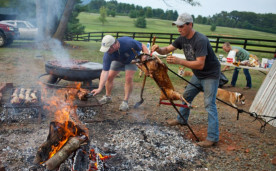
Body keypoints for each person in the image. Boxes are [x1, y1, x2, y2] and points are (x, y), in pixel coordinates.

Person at [151, 13, 220, 147]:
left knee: (209, 104)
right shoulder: (181, 38)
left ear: (190, 25)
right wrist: (158, 49)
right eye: (177, 26)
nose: (179, 29)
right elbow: (166, 50)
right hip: (198, 74)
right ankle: (182, 119)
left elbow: (200, 64)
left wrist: (179, 61)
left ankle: (212, 138)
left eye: (181, 26)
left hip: (210, 75)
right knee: (186, 96)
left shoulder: (200, 40)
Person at [91, 35, 149, 111]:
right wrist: (99, 88)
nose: (107, 51)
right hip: (119, 60)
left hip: (133, 60)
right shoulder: (108, 55)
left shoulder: (128, 42)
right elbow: (105, 71)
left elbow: (142, 46)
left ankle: (125, 102)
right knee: (109, 77)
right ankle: (107, 97)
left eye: (108, 49)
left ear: (114, 45)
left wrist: (146, 56)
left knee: (128, 78)